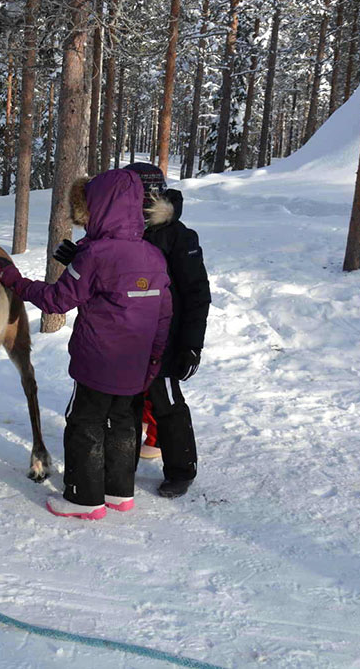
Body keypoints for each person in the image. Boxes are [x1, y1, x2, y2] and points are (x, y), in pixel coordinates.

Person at [0, 168, 171, 519]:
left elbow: (57, 300)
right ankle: (118, 492)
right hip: (136, 364)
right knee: (124, 424)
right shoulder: (152, 256)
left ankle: (84, 499)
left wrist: (15, 281)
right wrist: (155, 357)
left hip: (98, 363)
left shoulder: (95, 257)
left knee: (85, 424)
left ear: (100, 207)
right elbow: (164, 312)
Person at [124, 161, 211, 499]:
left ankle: (181, 469)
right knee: (125, 404)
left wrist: (192, 345)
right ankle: (120, 467)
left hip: (167, 340)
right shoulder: (120, 229)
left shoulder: (178, 236)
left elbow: (196, 294)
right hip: (126, 338)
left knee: (167, 401)